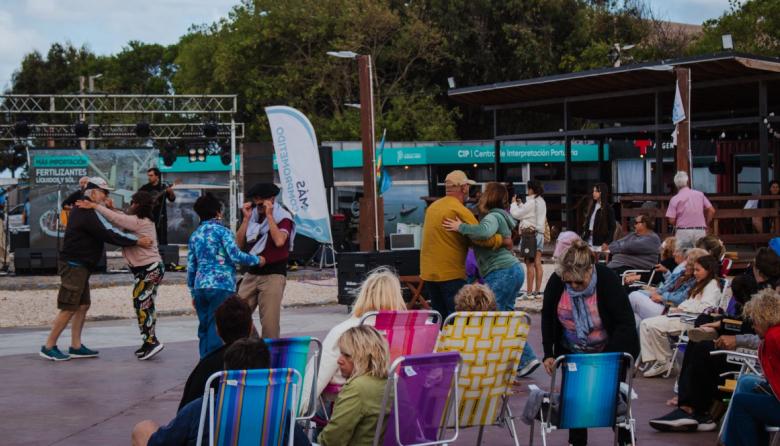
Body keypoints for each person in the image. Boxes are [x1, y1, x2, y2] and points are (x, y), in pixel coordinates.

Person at [40, 178, 153, 361]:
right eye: (104, 192)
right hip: (74, 265)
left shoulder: (90, 210)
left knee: (83, 305)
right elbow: (107, 233)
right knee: (69, 307)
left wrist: (107, 208)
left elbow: (110, 225)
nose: (106, 195)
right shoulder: (84, 212)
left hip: (82, 265)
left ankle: (76, 346)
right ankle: (49, 345)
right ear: (93, 192)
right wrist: (136, 241)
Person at [541, 239, 639, 446]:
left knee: (612, 399)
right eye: (569, 282)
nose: (573, 286)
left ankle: (625, 440)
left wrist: (609, 360)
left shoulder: (606, 279)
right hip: (573, 350)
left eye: (579, 282)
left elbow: (625, 323)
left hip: (609, 350)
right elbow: (548, 317)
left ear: (590, 270)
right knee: (575, 401)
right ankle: (576, 442)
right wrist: (548, 353)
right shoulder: (557, 281)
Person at [131, 338, 306, 446]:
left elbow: (164, 442)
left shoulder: (202, 408)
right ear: (266, 372)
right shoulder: (279, 414)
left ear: (225, 372)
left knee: (143, 429)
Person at [442, 181, 539, 377]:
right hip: (511, 270)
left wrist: (461, 227)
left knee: (494, 317)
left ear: (490, 197)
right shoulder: (502, 216)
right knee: (503, 317)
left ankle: (525, 359)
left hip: (501, 271)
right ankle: (520, 360)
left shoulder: (493, 216)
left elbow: (484, 231)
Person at [649, 274, 760, 432]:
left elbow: (763, 336)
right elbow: (753, 330)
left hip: (753, 360)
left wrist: (737, 338)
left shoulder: (766, 303)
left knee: (705, 349)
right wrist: (721, 325)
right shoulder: (761, 301)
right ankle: (690, 406)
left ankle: (693, 410)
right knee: (698, 338)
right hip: (748, 350)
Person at [300, 267, 406, 414]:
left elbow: (316, 377)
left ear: (364, 295)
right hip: (399, 403)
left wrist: (296, 412)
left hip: (349, 402)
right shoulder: (416, 328)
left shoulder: (347, 330)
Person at [75, 191, 165, 360]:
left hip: (149, 269)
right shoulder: (141, 220)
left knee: (142, 304)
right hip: (149, 268)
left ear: (137, 205)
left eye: (132, 203)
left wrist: (96, 205)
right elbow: (123, 216)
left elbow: (119, 219)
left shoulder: (139, 222)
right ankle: (148, 342)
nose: (130, 206)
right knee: (146, 305)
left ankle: (151, 342)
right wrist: (112, 208)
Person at [420, 170, 508, 321]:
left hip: (428, 274)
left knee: (440, 318)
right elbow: (481, 238)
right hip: (450, 274)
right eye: (468, 186)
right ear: (464, 188)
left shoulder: (432, 208)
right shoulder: (459, 209)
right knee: (457, 320)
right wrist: (502, 239)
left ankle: (441, 344)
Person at [188, 193, 262, 358]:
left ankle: (204, 362)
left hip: (200, 286)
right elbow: (236, 255)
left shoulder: (195, 235)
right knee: (216, 327)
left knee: (204, 328)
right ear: (218, 212)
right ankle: (215, 367)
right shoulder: (223, 232)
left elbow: (191, 267)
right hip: (221, 286)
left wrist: (193, 292)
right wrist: (257, 259)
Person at [639, 254, 723, 378]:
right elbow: (690, 301)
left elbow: (706, 308)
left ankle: (663, 361)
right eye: (694, 269)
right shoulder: (701, 284)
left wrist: (682, 308)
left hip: (689, 320)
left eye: (698, 270)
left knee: (652, 326)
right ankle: (661, 360)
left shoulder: (712, 286)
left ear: (708, 270)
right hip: (682, 315)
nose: (694, 273)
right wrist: (679, 308)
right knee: (645, 323)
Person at [720, 288, 780, 446]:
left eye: (753, 320)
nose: (752, 326)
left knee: (741, 402)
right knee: (748, 391)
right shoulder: (772, 335)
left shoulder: (775, 337)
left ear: (763, 318)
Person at [236, 183, 295, 339]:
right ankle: (252, 342)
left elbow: (280, 241)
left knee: (270, 324)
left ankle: (270, 358)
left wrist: (269, 216)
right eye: (255, 201)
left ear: (271, 199)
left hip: (273, 275)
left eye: (261, 201)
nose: (258, 205)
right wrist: (246, 219)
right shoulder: (253, 216)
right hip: (252, 273)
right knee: (236, 314)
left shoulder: (283, 217)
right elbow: (237, 244)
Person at [317, 325, 390, 446]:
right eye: (341, 354)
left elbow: (332, 441)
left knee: (287, 420)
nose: (339, 360)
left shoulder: (357, 387)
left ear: (365, 357)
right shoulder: (394, 382)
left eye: (347, 355)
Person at [178, 295, 253, 410]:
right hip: (261, 426)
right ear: (251, 327)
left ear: (217, 330)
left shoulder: (208, 366)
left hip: (216, 427)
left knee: (144, 426)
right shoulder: (268, 365)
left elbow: (184, 410)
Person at [627, 248, 705, 326]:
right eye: (686, 262)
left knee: (634, 296)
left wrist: (662, 297)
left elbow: (680, 299)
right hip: (661, 305)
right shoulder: (682, 274)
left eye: (689, 264)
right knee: (636, 318)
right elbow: (664, 288)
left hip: (670, 311)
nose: (685, 265)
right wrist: (651, 294)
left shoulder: (695, 281)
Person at [510, 179, 547, 298]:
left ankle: (529, 293)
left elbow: (517, 214)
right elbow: (529, 214)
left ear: (531, 189)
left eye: (528, 188)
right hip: (540, 234)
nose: (527, 190)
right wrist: (521, 204)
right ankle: (537, 292)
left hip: (530, 235)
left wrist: (514, 204)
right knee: (538, 263)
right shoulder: (541, 201)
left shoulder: (531, 202)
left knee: (529, 263)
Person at [666, 171, 715, 249]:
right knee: (700, 257)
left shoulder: (674, 199)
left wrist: (678, 223)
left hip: (683, 231)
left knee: (683, 256)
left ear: (676, 185)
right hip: (700, 230)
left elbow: (671, 220)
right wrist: (707, 223)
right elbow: (711, 210)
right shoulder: (699, 194)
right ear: (687, 182)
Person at [139, 167, 176, 245]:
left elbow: (172, 199)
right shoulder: (145, 188)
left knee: (163, 240)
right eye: (148, 176)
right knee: (150, 240)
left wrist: (171, 192)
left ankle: (163, 256)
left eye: (151, 175)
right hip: (148, 218)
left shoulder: (163, 187)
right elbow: (137, 199)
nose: (149, 177)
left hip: (161, 217)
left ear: (157, 176)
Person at [582, 183, 616, 248]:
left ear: (602, 192)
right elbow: (587, 224)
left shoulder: (608, 208)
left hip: (600, 242)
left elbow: (612, 227)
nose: (594, 193)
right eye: (593, 191)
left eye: (596, 191)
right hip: (588, 240)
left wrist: (607, 242)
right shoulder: (592, 206)